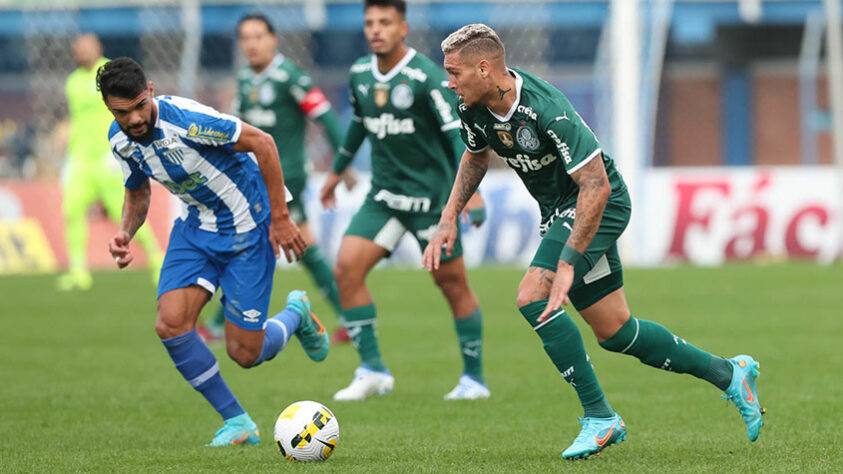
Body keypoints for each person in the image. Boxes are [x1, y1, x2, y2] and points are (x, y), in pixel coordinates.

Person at [424, 24, 765, 459]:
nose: (449, 81)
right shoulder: (472, 105)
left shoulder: (548, 109)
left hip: (600, 201)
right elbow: (475, 156)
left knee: (534, 296)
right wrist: (448, 217)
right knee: (617, 331)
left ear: (485, 67)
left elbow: (597, 185)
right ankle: (730, 374)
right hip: (563, 209)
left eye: (454, 72)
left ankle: (600, 417)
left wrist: (567, 262)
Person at [97, 57, 329, 446]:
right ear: (110, 109)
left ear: (150, 90)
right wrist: (125, 231)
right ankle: (238, 422)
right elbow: (138, 190)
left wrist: (281, 217)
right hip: (197, 228)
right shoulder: (120, 140)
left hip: (247, 228)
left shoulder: (187, 120)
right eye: (123, 112)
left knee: (245, 352)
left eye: (140, 105)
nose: (135, 118)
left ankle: (296, 313)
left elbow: (263, 143)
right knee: (170, 323)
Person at [321, 0, 489, 401]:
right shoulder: (360, 73)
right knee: (346, 269)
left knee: (452, 285)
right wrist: (335, 171)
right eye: (370, 23)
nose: (376, 30)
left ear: (403, 28)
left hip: (432, 202)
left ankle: (474, 379)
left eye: (385, 22)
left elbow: (455, 135)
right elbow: (359, 124)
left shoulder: (425, 77)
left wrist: (473, 193)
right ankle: (373, 370)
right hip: (384, 200)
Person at [198, 14, 355, 344]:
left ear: (273, 40)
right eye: (246, 38)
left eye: (258, 36)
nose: (252, 44)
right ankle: (350, 318)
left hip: (287, 179)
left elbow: (325, 116)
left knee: (250, 243)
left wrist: (344, 163)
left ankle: (216, 324)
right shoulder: (244, 80)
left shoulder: (289, 77)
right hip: (253, 179)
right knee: (301, 248)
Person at [58, 33, 163, 291]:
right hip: (81, 158)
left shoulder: (110, 75)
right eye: (77, 49)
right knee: (71, 211)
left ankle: (157, 258)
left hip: (109, 157)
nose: (81, 53)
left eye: (86, 48)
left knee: (126, 212)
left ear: (98, 48)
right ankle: (78, 272)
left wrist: (120, 149)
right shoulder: (72, 82)